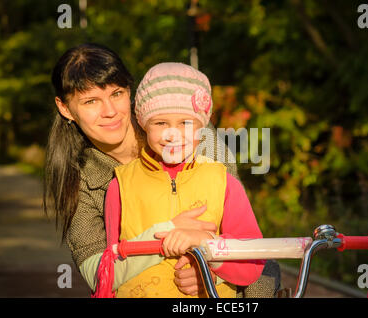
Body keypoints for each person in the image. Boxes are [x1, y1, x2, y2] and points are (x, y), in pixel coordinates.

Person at [44, 43, 279, 298]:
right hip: (145, 289)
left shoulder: (190, 133)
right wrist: (166, 233)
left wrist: (209, 272)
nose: (110, 111)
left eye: (117, 94)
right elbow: (96, 272)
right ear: (65, 108)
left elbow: (236, 226)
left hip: (224, 281)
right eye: (91, 101)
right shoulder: (82, 180)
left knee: (263, 281)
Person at [102, 62, 265, 298]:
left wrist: (208, 248)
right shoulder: (121, 185)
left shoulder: (224, 183)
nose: (173, 134)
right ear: (144, 125)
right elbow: (109, 270)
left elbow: (253, 263)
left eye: (185, 123)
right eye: (160, 123)